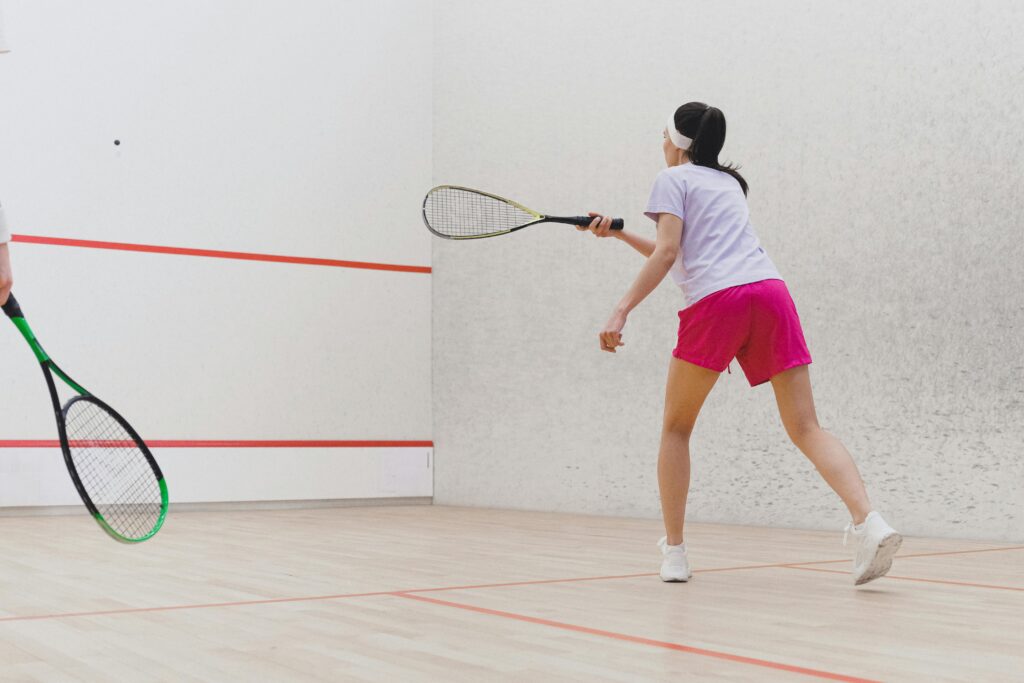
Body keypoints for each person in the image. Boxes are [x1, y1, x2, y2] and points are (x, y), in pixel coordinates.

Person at [579, 102, 901, 586]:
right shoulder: (728, 184)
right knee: (806, 426)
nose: (660, 144)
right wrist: (620, 234)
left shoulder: (671, 180)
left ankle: (676, 554)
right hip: (770, 294)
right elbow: (686, 251)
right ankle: (870, 523)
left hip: (718, 304)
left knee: (676, 429)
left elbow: (670, 252)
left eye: (663, 136)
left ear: (678, 142)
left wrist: (621, 308)